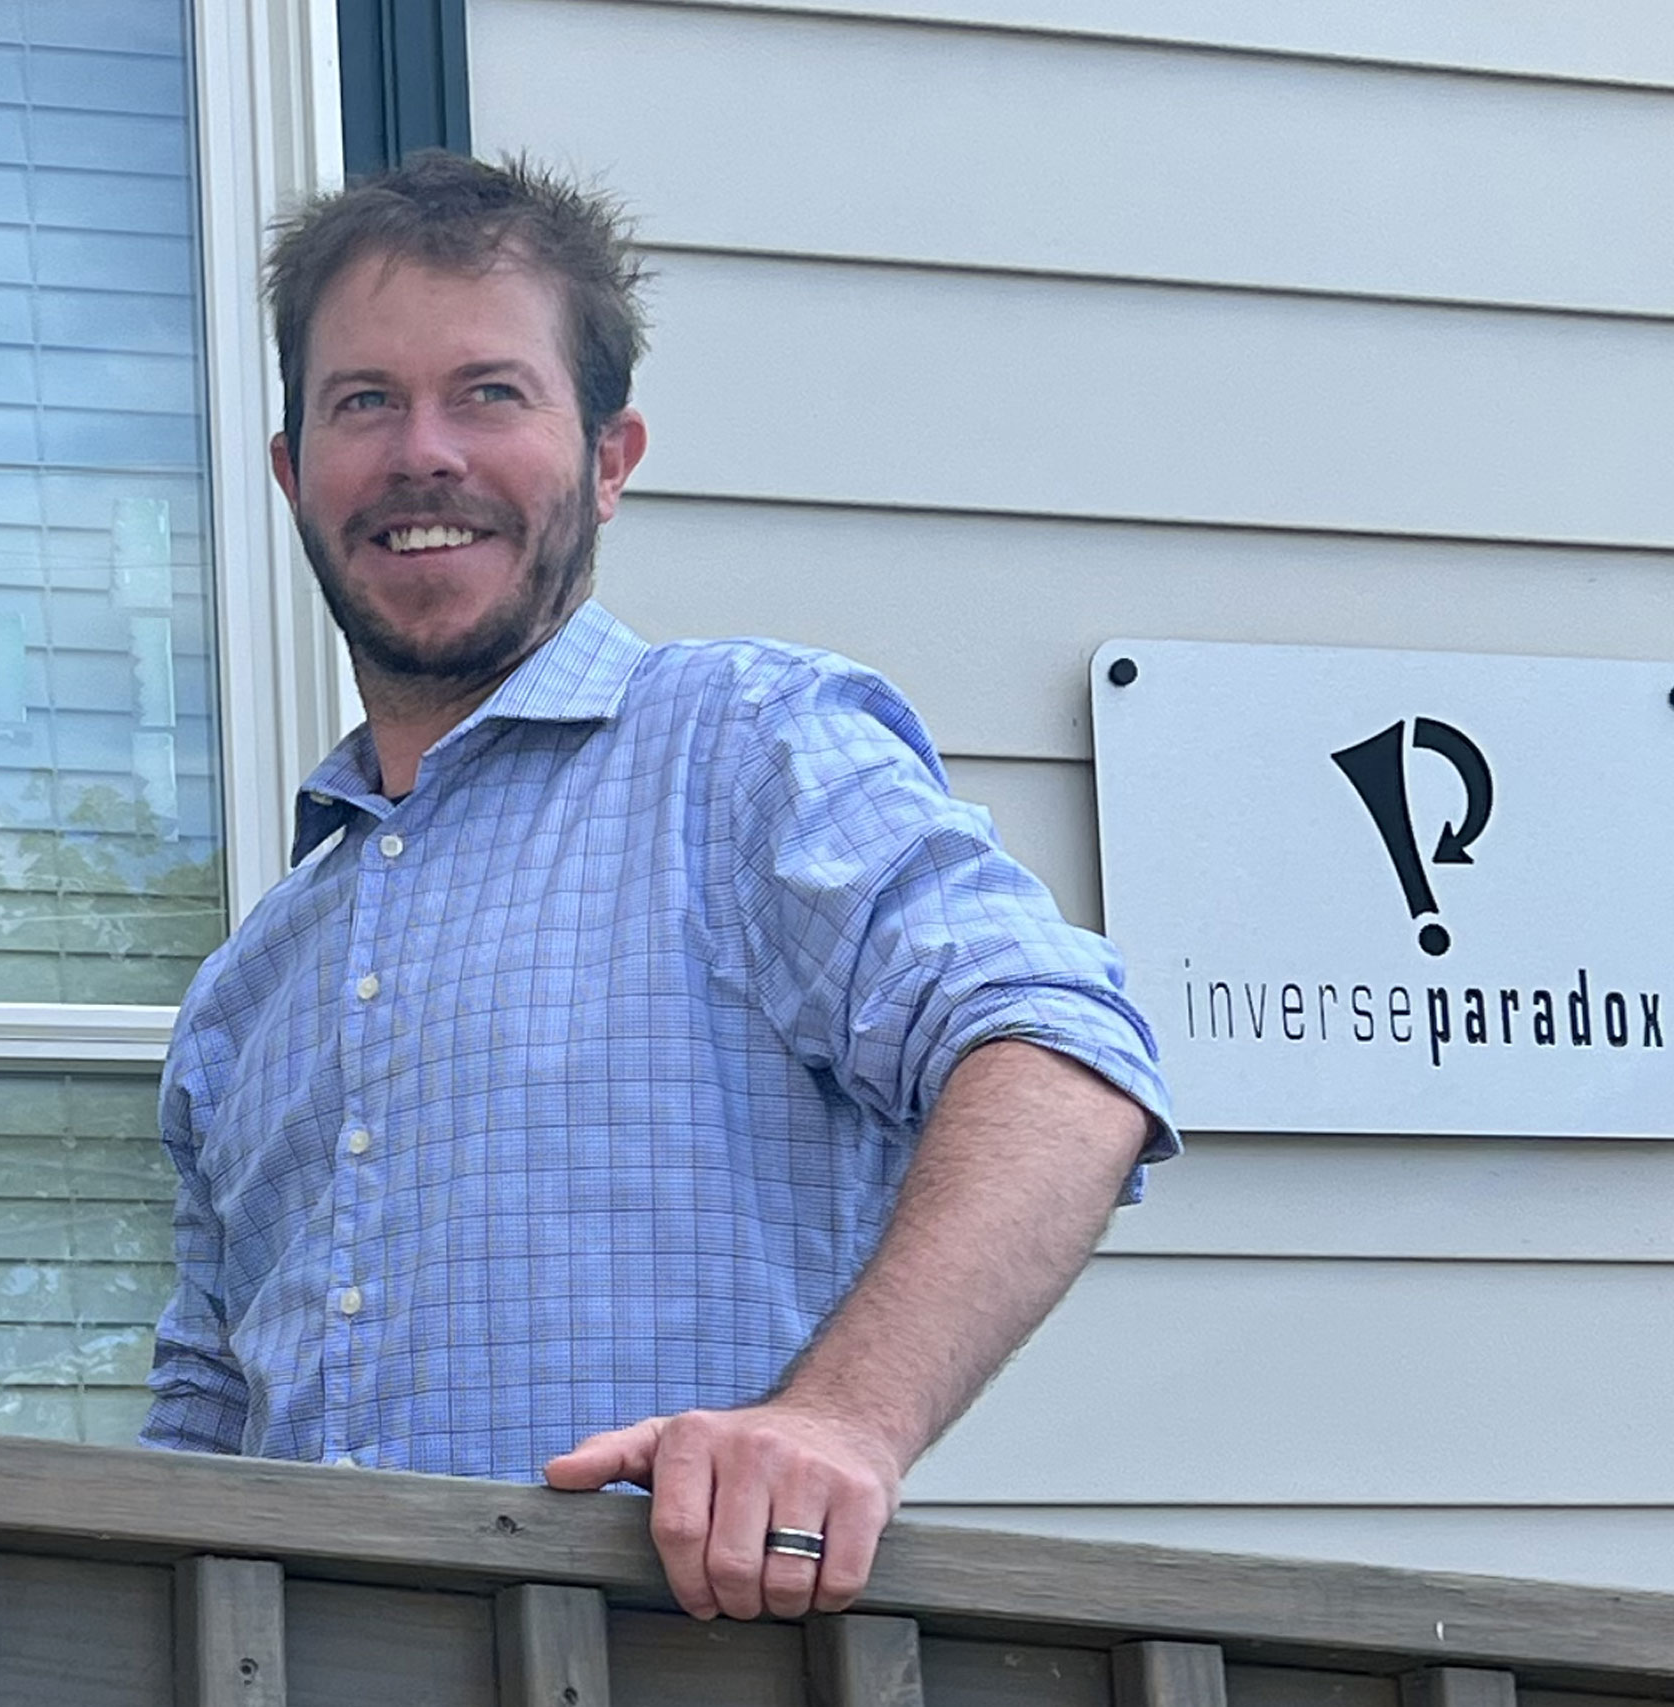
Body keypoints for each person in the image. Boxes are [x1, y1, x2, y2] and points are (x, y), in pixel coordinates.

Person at [141, 150, 1176, 1623]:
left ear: (610, 460)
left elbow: (1061, 1057)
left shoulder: (749, 749)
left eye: (490, 395)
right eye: (364, 401)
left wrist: (840, 1425)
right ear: (295, 473)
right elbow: (204, 1425)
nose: (422, 453)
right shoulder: (252, 983)